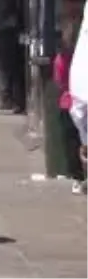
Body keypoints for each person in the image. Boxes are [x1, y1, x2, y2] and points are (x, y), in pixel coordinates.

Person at [53, 16, 85, 193]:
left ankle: (78, 178)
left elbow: (59, 81)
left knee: (72, 142)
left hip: (68, 103)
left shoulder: (62, 58)